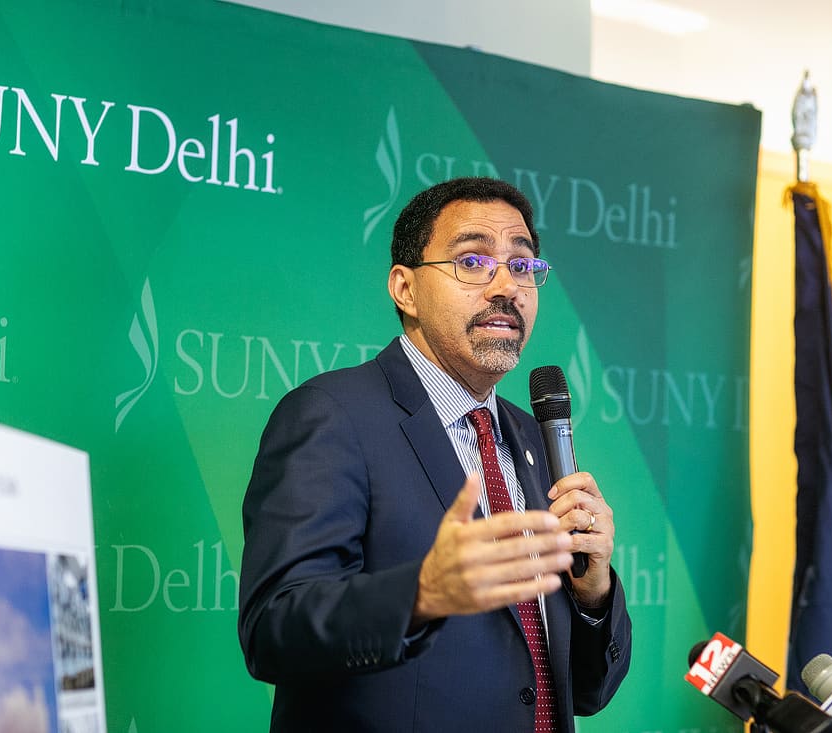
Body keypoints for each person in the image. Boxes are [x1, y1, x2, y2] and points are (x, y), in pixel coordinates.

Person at [238, 177, 632, 732]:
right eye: (473, 261)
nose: (506, 286)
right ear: (405, 288)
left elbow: (584, 691)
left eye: (522, 266)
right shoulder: (331, 415)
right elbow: (273, 632)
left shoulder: (532, 437)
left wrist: (593, 594)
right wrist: (420, 594)